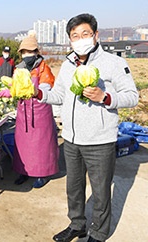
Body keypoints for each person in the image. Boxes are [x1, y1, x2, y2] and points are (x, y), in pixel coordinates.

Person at [34, 14, 138, 242]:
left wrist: (106, 97)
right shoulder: (68, 64)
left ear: (95, 35)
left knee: (101, 192)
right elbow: (60, 94)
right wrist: (39, 94)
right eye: (75, 36)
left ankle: (99, 233)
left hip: (100, 140)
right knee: (74, 188)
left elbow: (132, 96)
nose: (80, 39)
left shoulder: (114, 63)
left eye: (85, 34)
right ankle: (77, 225)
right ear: (70, 40)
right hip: (71, 138)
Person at [11, 32, 59, 189]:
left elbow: (47, 86)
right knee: (23, 144)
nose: (27, 55)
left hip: (40, 111)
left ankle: (42, 173)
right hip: (23, 111)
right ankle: (23, 171)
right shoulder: (18, 69)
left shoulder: (44, 68)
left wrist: (34, 90)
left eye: (30, 51)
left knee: (41, 145)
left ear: (37, 52)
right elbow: (14, 87)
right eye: (24, 52)